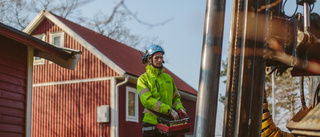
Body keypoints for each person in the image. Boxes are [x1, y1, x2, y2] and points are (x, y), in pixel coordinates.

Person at [137, 44, 188, 137]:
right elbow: (147, 101)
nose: (160, 60)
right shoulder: (142, 79)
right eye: (156, 58)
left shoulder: (169, 78)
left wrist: (179, 108)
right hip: (151, 123)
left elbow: (176, 98)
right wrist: (169, 110)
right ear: (149, 59)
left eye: (161, 57)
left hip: (168, 122)